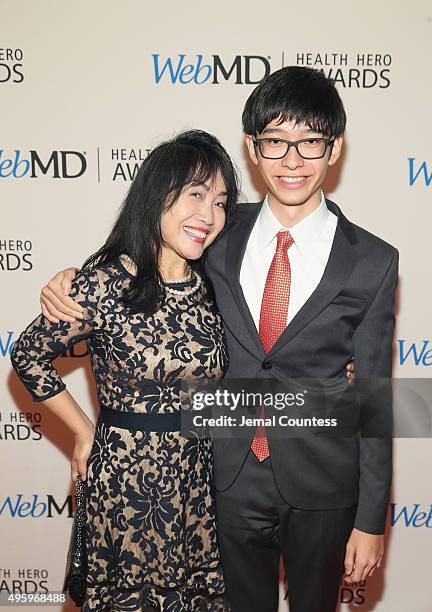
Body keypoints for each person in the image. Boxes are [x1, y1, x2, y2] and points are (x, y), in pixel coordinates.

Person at [38, 68, 384, 612]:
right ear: (253, 147)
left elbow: (375, 396)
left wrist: (371, 519)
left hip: (322, 484)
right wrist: (67, 282)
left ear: (334, 147)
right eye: (275, 140)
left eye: (310, 141)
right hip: (221, 478)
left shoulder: (373, 261)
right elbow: (146, 261)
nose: (292, 159)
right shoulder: (218, 236)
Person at [11, 130, 240, 611]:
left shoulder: (214, 284)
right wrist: (81, 430)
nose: (209, 215)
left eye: (220, 202)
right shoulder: (104, 283)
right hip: (126, 486)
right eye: (196, 194)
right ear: (157, 195)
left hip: (198, 483)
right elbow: (29, 355)